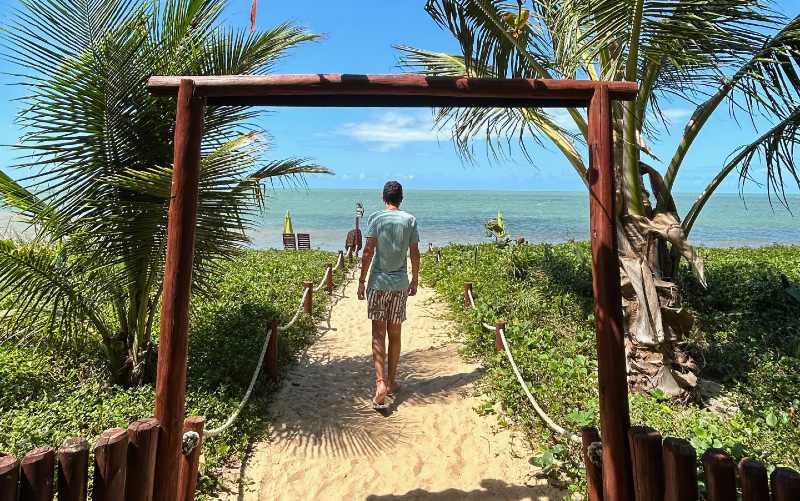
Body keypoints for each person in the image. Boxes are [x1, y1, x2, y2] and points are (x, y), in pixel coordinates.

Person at [357, 181, 420, 410]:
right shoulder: (410, 220)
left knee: (378, 334)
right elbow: (415, 253)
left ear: (384, 198)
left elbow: (367, 252)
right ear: (401, 198)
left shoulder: (376, 219)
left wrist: (362, 281)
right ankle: (392, 382)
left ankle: (380, 383)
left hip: (378, 284)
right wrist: (415, 279)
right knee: (395, 334)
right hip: (399, 285)